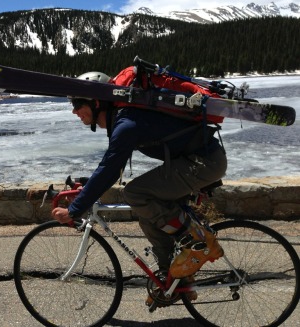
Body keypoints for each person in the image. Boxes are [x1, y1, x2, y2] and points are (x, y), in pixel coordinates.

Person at [51, 70, 227, 301]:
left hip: (203, 163)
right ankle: (173, 280)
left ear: (95, 102)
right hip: (199, 160)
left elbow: (109, 171)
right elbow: (111, 164)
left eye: (77, 103)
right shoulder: (125, 119)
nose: (74, 111)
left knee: (136, 193)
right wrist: (88, 186)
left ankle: (199, 240)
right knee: (148, 213)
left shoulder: (127, 123)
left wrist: (75, 210)